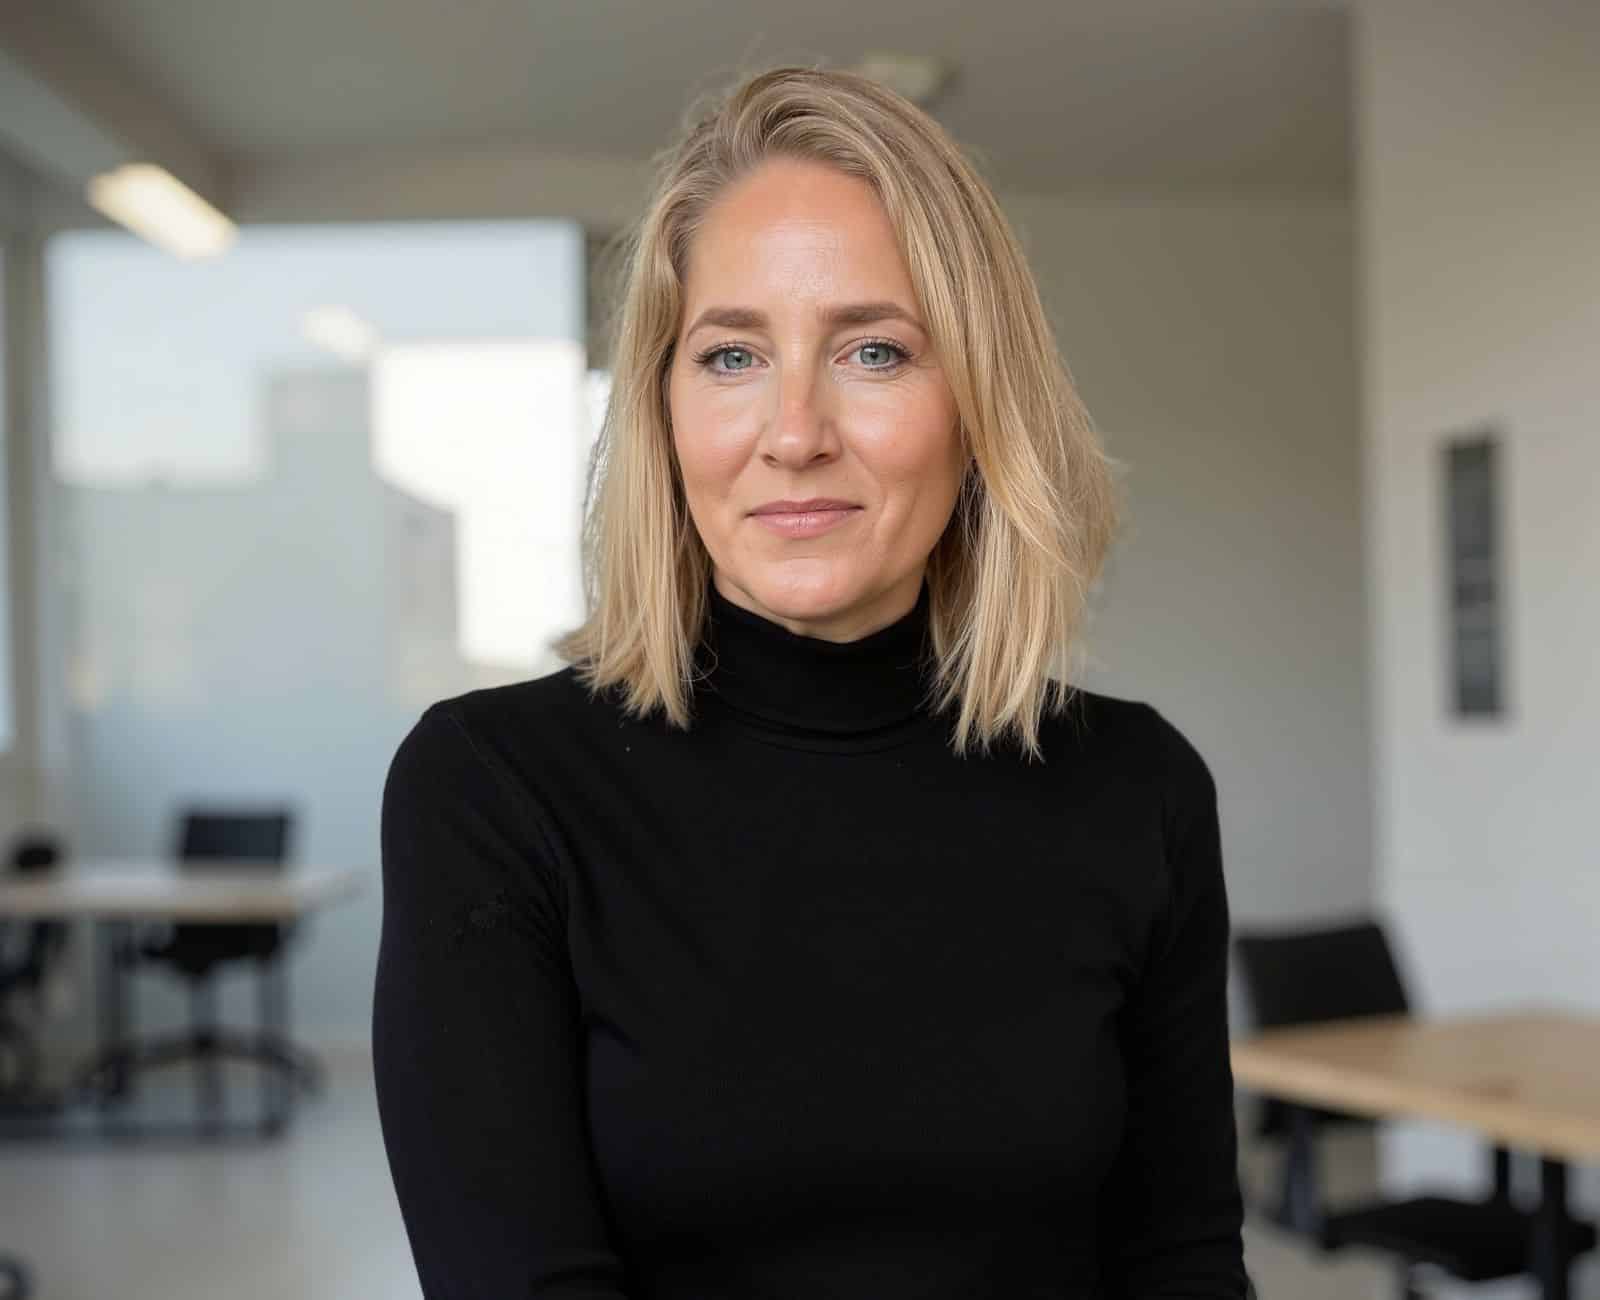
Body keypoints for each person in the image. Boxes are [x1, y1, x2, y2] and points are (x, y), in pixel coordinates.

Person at [373, 65, 1251, 1299]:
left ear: (978, 406)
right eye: (731, 356)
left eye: (875, 351)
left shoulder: (1136, 786)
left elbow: (1180, 1265)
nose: (794, 430)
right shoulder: (494, 790)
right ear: (664, 411)